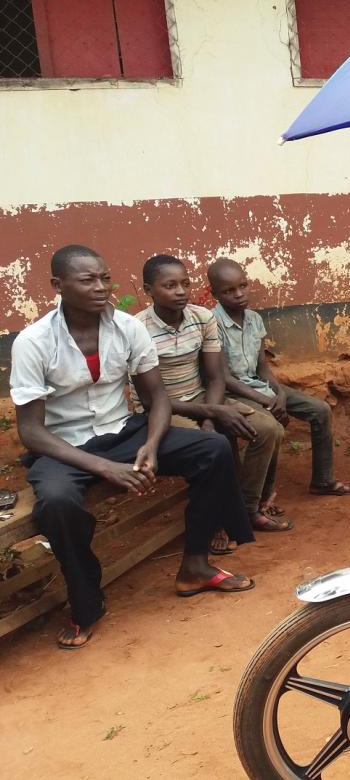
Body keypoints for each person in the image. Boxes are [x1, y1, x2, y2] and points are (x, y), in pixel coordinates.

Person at [10, 246, 254, 649]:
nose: (101, 287)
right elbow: (32, 432)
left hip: (124, 432)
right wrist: (102, 468)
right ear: (58, 285)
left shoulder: (127, 327)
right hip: (64, 446)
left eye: (105, 277)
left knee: (213, 450)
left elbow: (157, 398)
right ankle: (86, 601)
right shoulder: (34, 342)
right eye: (88, 280)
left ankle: (195, 564)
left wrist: (153, 446)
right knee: (56, 501)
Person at [137, 255, 290, 546]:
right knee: (209, 447)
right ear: (149, 290)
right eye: (170, 285)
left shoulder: (201, 318)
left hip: (203, 397)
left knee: (269, 429)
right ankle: (215, 520)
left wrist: (211, 415)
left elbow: (216, 377)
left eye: (184, 284)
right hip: (163, 407)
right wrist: (211, 416)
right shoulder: (138, 329)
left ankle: (245, 509)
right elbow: (151, 399)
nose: (180, 291)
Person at [208, 258, 350, 500]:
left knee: (319, 410)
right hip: (232, 393)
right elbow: (224, 379)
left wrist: (278, 393)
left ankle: (323, 480)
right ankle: (259, 499)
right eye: (229, 291)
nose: (238, 294)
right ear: (215, 293)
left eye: (243, 286)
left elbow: (263, 367)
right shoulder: (212, 325)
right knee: (272, 426)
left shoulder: (254, 319)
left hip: (258, 385)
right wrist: (267, 400)